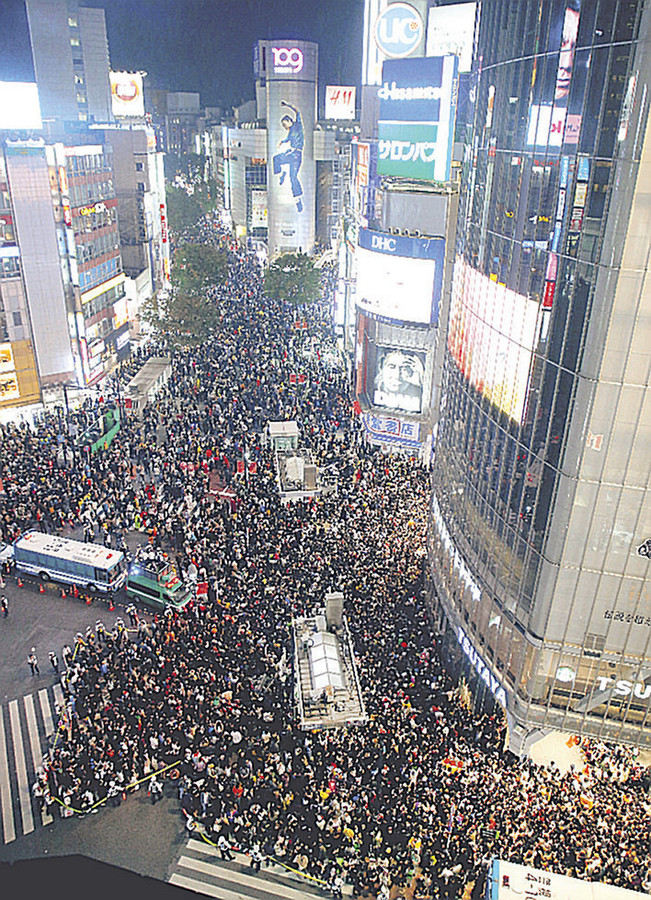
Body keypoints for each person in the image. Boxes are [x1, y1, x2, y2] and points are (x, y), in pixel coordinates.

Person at [272, 100, 304, 213]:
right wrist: (282, 142)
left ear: (289, 121)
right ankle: (281, 174)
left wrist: (287, 105)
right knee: (277, 160)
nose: (285, 127)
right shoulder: (290, 132)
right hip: (292, 154)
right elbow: (288, 139)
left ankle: (298, 199)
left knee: (293, 177)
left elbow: (297, 111)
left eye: (285, 124)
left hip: (296, 155)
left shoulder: (297, 125)